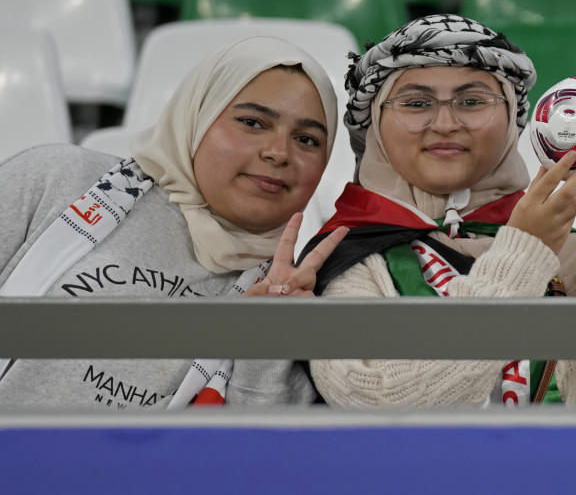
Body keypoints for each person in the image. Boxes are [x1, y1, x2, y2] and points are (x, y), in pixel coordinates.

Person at [294, 14, 576, 406]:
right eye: (416, 103)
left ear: (513, 118)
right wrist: (523, 255)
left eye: (472, 101)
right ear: (374, 126)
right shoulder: (345, 261)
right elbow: (382, 401)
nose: (445, 123)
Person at [0, 36, 346, 409]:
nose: (279, 152)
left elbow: (254, 453)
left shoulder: (290, 291)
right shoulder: (59, 179)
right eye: (252, 122)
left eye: (307, 140)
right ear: (196, 117)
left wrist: (269, 341)